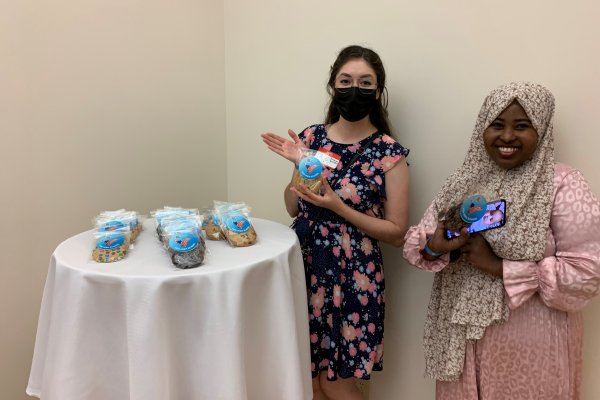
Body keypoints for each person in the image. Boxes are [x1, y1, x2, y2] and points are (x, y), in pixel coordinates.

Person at [403, 81, 600, 399]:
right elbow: (421, 244)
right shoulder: (465, 181)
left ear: (542, 130)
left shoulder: (562, 184)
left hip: (532, 350)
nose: (507, 136)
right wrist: (435, 247)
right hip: (462, 343)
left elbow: (584, 275)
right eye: (497, 124)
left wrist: (497, 265)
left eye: (521, 126)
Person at [261, 45, 410, 400]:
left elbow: (397, 233)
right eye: (345, 81)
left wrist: (339, 207)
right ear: (332, 86)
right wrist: (300, 166)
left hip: (354, 277)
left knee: (336, 383)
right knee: (307, 380)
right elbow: (293, 207)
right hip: (305, 267)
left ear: (377, 92)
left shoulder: (389, 153)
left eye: (364, 82)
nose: (353, 89)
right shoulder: (311, 139)